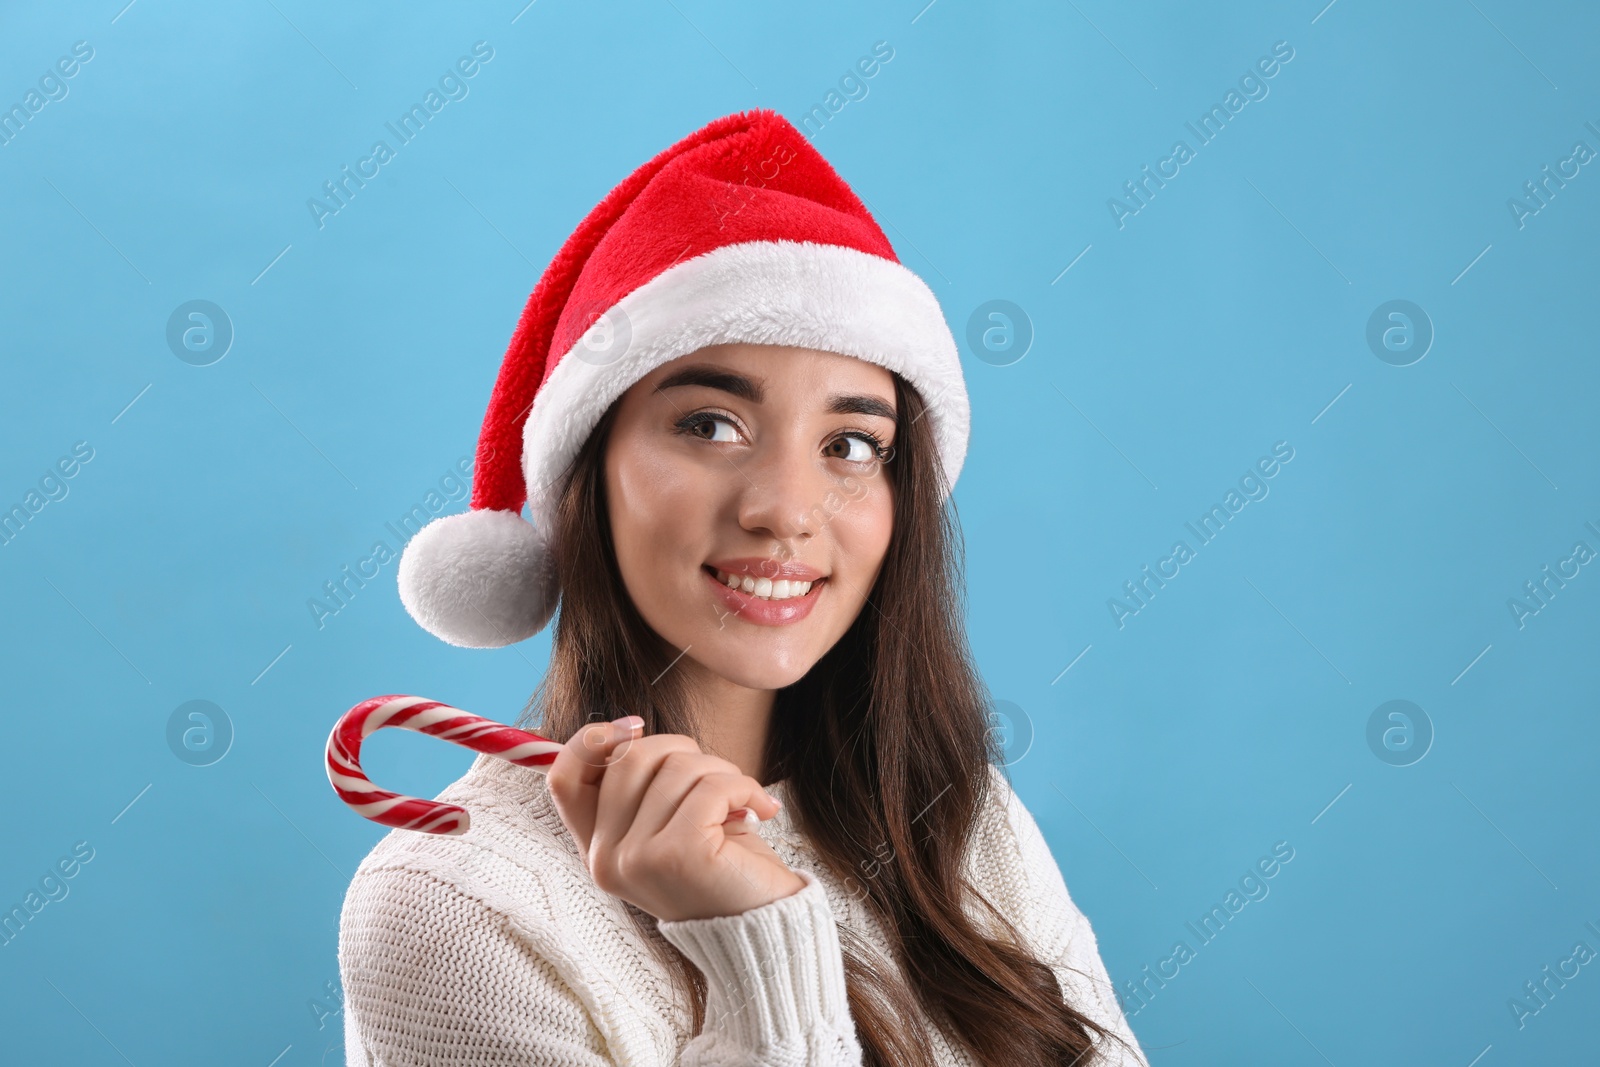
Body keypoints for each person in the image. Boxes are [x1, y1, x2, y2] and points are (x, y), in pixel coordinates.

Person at [337, 107, 1148, 1067]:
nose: (787, 509)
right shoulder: (459, 911)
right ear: (586, 471)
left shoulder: (954, 818)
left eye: (851, 445)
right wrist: (756, 938)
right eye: (711, 424)